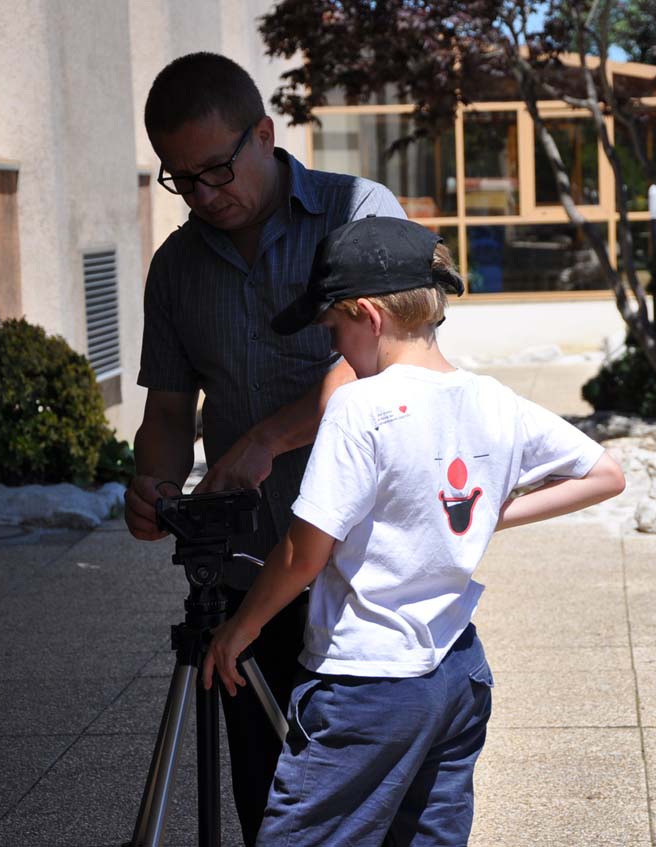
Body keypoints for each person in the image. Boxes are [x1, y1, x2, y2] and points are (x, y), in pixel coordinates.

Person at [201, 216, 627, 846]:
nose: (336, 348)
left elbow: (303, 553)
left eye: (335, 330)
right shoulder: (493, 400)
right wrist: (491, 512)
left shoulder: (359, 406)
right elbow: (605, 474)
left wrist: (242, 629)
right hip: (458, 672)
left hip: (366, 683)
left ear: (370, 316)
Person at [126, 52, 406, 846]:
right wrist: (152, 481)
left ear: (264, 134)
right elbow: (169, 409)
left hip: (367, 567)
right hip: (248, 574)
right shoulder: (176, 267)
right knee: (270, 801)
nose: (204, 196)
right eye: (182, 179)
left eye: (217, 170)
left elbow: (388, 365)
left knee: (371, 799)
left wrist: (267, 437)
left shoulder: (358, 211)